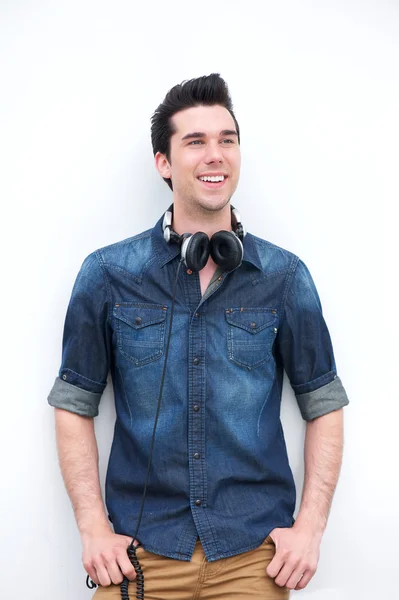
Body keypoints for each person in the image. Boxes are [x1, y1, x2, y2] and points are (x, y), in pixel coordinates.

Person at [48, 73, 349, 600]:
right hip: (141, 555)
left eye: (226, 140)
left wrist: (310, 530)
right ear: (164, 163)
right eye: (195, 142)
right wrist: (93, 528)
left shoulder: (284, 276)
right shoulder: (107, 273)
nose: (215, 155)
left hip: (254, 558)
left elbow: (324, 403)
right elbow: (74, 403)